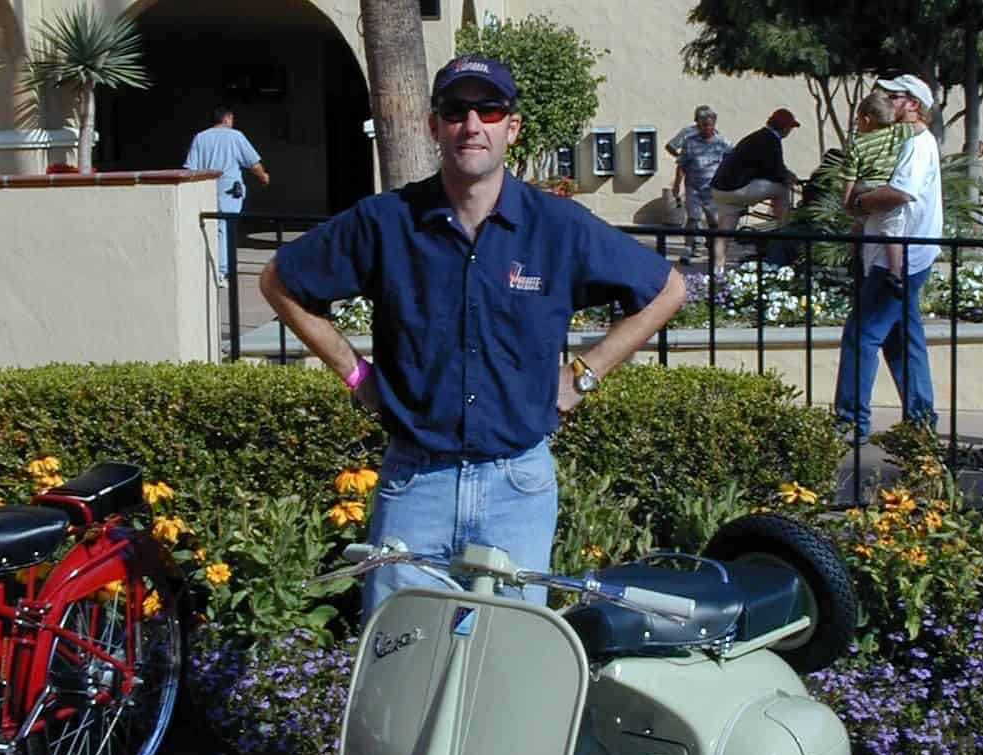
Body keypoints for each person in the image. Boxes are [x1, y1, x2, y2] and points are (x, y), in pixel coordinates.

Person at [259, 53, 685, 619]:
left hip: (517, 487)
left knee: (501, 670)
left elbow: (668, 289)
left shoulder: (557, 227)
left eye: (489, 110)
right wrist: (355, 373)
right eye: (456, 110)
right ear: (435, 125)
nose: (472, 124)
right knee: (403, 666)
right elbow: (279, 281)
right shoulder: (385, 223)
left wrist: (584, 373)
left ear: (512, 126)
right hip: (416, 484)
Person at [834, 74, 943, 442]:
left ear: (913, 104)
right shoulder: (902, 140)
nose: (882, 99)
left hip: (899, 261)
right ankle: (921, 418)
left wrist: (856, 203)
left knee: (860, 336)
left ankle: (850, 423)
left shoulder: (917, 143)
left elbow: (900, 193)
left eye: (892, 96)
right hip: (902, 256)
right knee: (901, 341)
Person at [840, 88, 919, 297]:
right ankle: (895, 271)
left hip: (865, 188)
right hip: (885, 189)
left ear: (866, 118)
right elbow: (919, 128)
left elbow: (849, 176)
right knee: (893, 231)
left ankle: (854, 255)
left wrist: (847, 202)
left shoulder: (857, 144)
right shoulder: (898, 133)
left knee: (861, 224)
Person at [183, 106, 269, 286]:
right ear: (227, 118)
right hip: (229, 190)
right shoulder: (235, 136)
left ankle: (210, 267)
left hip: (205, 189)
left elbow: (190, 168)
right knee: (225, 228)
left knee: (209, 228)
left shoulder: (200, 137)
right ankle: (223, 271)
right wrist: (264, 176)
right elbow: (253, 163)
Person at [708, 108, 801, 273]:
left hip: (719, 188)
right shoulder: (771, 140)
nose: (790, 131)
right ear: (785, 127)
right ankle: (784, 228)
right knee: (781, 188)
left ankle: (717, 270)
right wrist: (790, 178)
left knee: (724, 231)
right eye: (790, 128)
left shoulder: (755, 137)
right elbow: (776, 171)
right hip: (738, 188)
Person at [666, 106, 731, 262]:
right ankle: (689, 249)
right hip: (693, 186)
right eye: (702, 125)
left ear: (714, 124)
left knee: (714, 221)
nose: (706, 128)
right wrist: (677, 185)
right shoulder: (690, 141)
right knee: (693, 218)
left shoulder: (722, 142)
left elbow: (731, 160)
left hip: (713, 189)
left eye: (709, 125)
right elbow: (681, 164)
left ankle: (714, 249)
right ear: (698, 124)